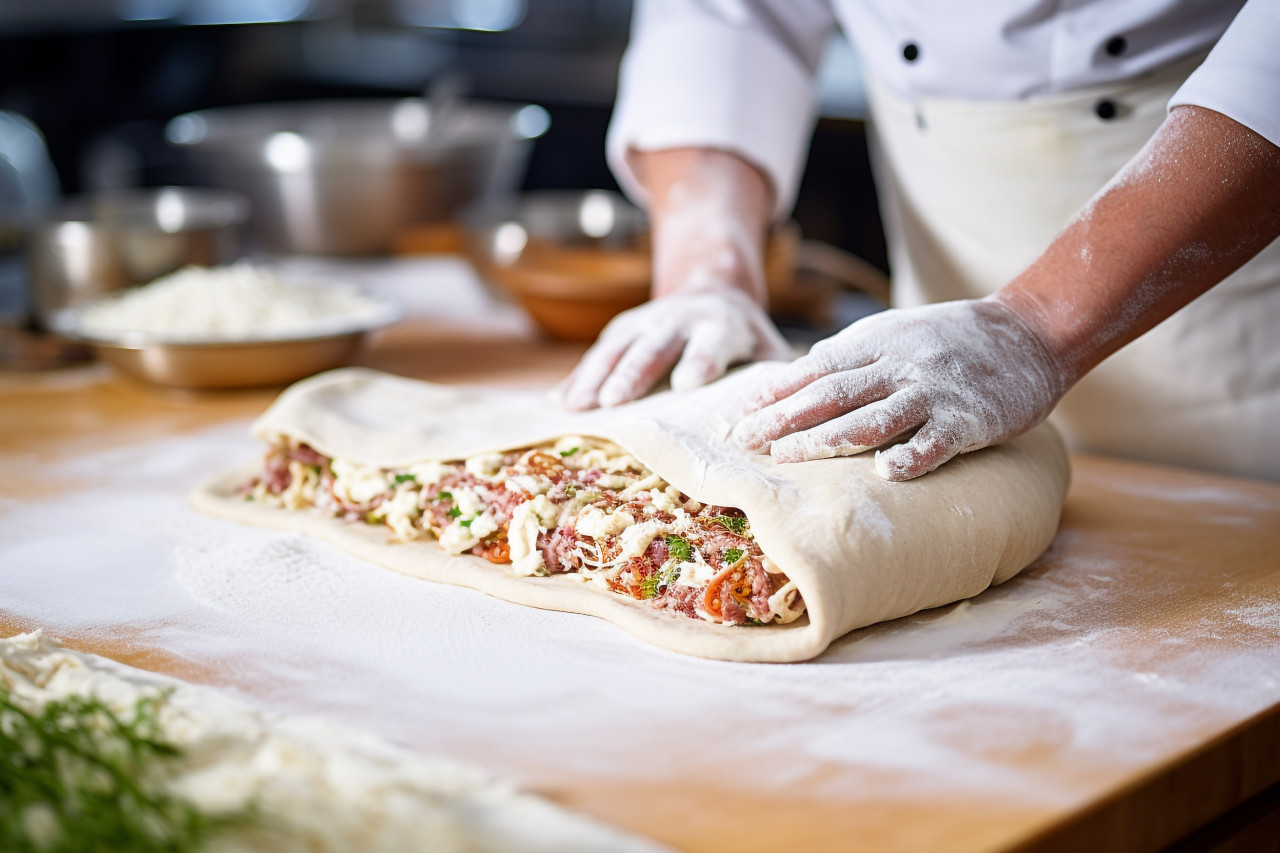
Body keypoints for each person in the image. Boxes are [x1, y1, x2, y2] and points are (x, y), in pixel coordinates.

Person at [559, 0, 1280, 482]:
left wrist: (1034, 323)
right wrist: (705, 270)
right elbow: (727, 15)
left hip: (1217, 229)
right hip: (938, 343)